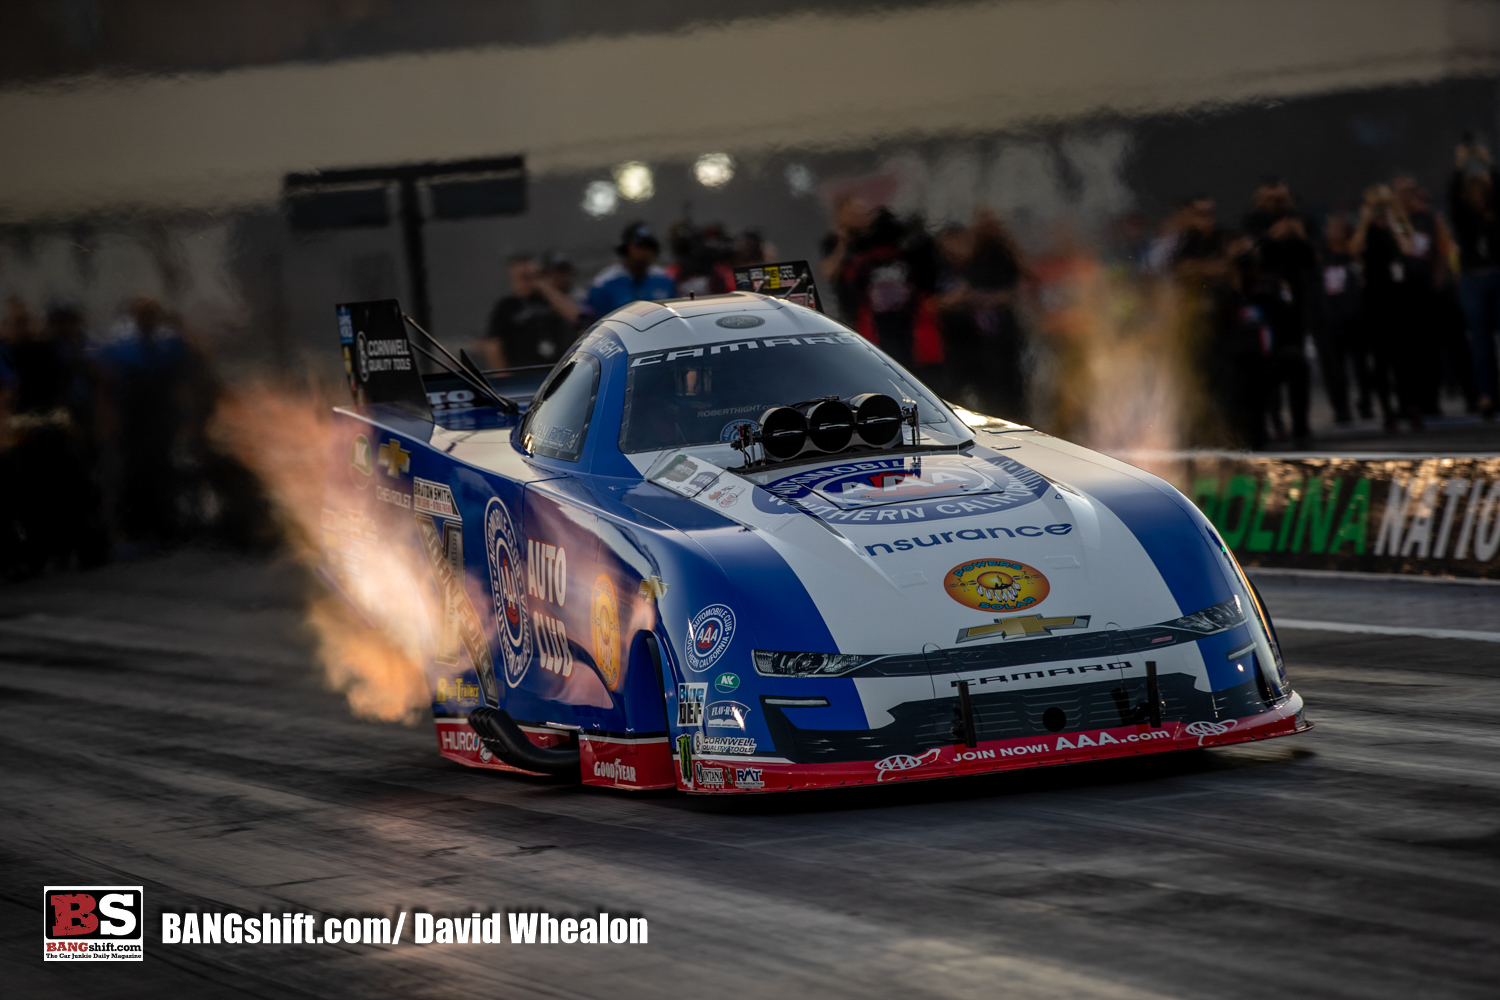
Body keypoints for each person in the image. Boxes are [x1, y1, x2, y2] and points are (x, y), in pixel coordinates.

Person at [1242, 179, 1317, 447]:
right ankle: (1270, 424)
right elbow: (1250, 256)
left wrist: (1300, 235)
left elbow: (1312, 259)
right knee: (1264, 368)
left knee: (1299, 364)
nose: (1278, 204)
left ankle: (1301, 427)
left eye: (1283, 198)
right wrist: (1271, 235)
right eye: (1272, 199)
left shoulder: (1300, 221)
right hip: (1265, 305)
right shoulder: (1252, 223)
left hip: (1294, 304)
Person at [1395, 175, 1474, 416]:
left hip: (1438, 293)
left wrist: (1438, 283)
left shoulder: (1430, 218)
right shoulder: (1397, 222)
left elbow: (1443, 251)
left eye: (1410, 191)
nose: (1406, 196)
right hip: (1411, 295)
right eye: (1401, 192)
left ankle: (1474, 396)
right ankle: (1428, 402)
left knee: (1456, 347)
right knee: (1423, 352)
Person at [1350, 184, 1421, 432]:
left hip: (1399, 298)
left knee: (1405, 357)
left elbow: (1407, 248)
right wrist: (1365, 221)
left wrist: (1392, 222)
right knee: (1380, 359)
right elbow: (1355, 251)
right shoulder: (1365, 230)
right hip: (1374, 299)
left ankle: (1409, 407)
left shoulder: (1397, 226)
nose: (1378, 210)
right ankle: (1388, 411)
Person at [1449, 140, 1500, 419]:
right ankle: (1486, 396)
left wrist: (1488, 164)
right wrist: (1460, 167)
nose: (1478, 196)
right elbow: (1453, 198)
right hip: (1474, 280)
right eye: (1473, 191)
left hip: (1496, 274)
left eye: (1483, 191)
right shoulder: (1463, 217)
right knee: (1480, 343)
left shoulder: (1494, 213)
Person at [1317, 215, 1371, 423]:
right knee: (1336, 369)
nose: (1333, 233)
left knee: (1361, 365)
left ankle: (1365, 404)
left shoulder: (1353, 256)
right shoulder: (1321, 258)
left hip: (1356, 318)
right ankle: (1341, 409)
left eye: (1338, 228)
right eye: (1330, 228)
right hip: (1331, 321)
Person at [485, 254, 581, 369]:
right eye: (523, 277)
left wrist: (545, 287)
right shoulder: (506, 307)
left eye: (533, 275)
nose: (529, 281)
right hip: (525, 373)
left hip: (558, 368)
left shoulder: (552, 299)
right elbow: (493, 345)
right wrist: (504, 377)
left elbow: (576, 317)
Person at [587, 222, 676, 317]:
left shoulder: (665, 280)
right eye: (640, 246)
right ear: (625, 249)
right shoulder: (604, 284)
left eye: (650, 247)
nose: (646, 252)